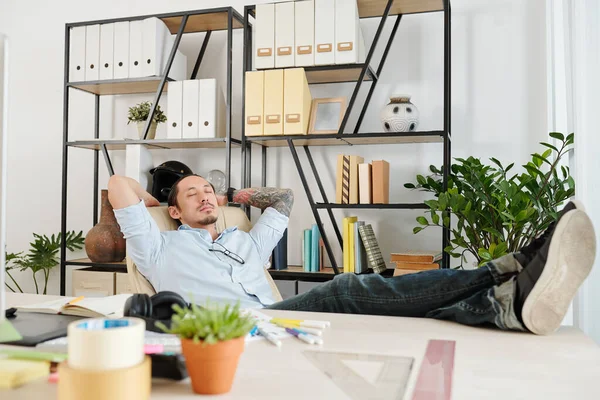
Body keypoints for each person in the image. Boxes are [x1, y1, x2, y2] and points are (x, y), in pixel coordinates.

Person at [108, 174, 596, 336]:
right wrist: (154, 203)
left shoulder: (245, 240)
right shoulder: (157, 246)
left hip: (272, 316)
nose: (207, 198)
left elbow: (283, 200)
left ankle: (504, 302)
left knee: (405, 312)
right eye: (193, 195)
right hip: (244, 328)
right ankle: (509, 267)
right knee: (344, 287)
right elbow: (117, 184)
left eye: (210, 191)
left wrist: (236, 193)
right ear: (173, 209)